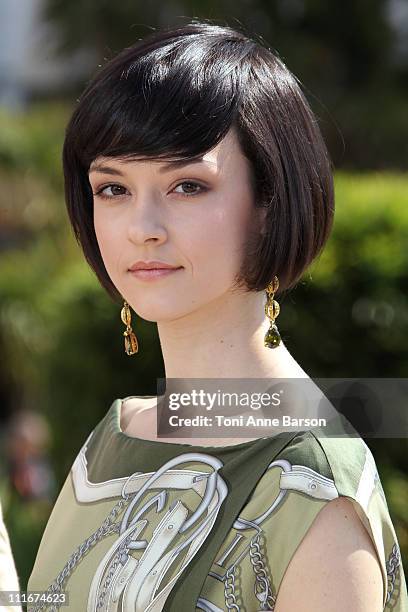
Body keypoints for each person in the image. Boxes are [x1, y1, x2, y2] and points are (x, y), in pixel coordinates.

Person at [27, 20, 407, 612]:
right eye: (113, 188)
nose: (142, 229)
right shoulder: (115, 437)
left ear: (269, 203)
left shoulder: (314, 491)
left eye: (187, 186)